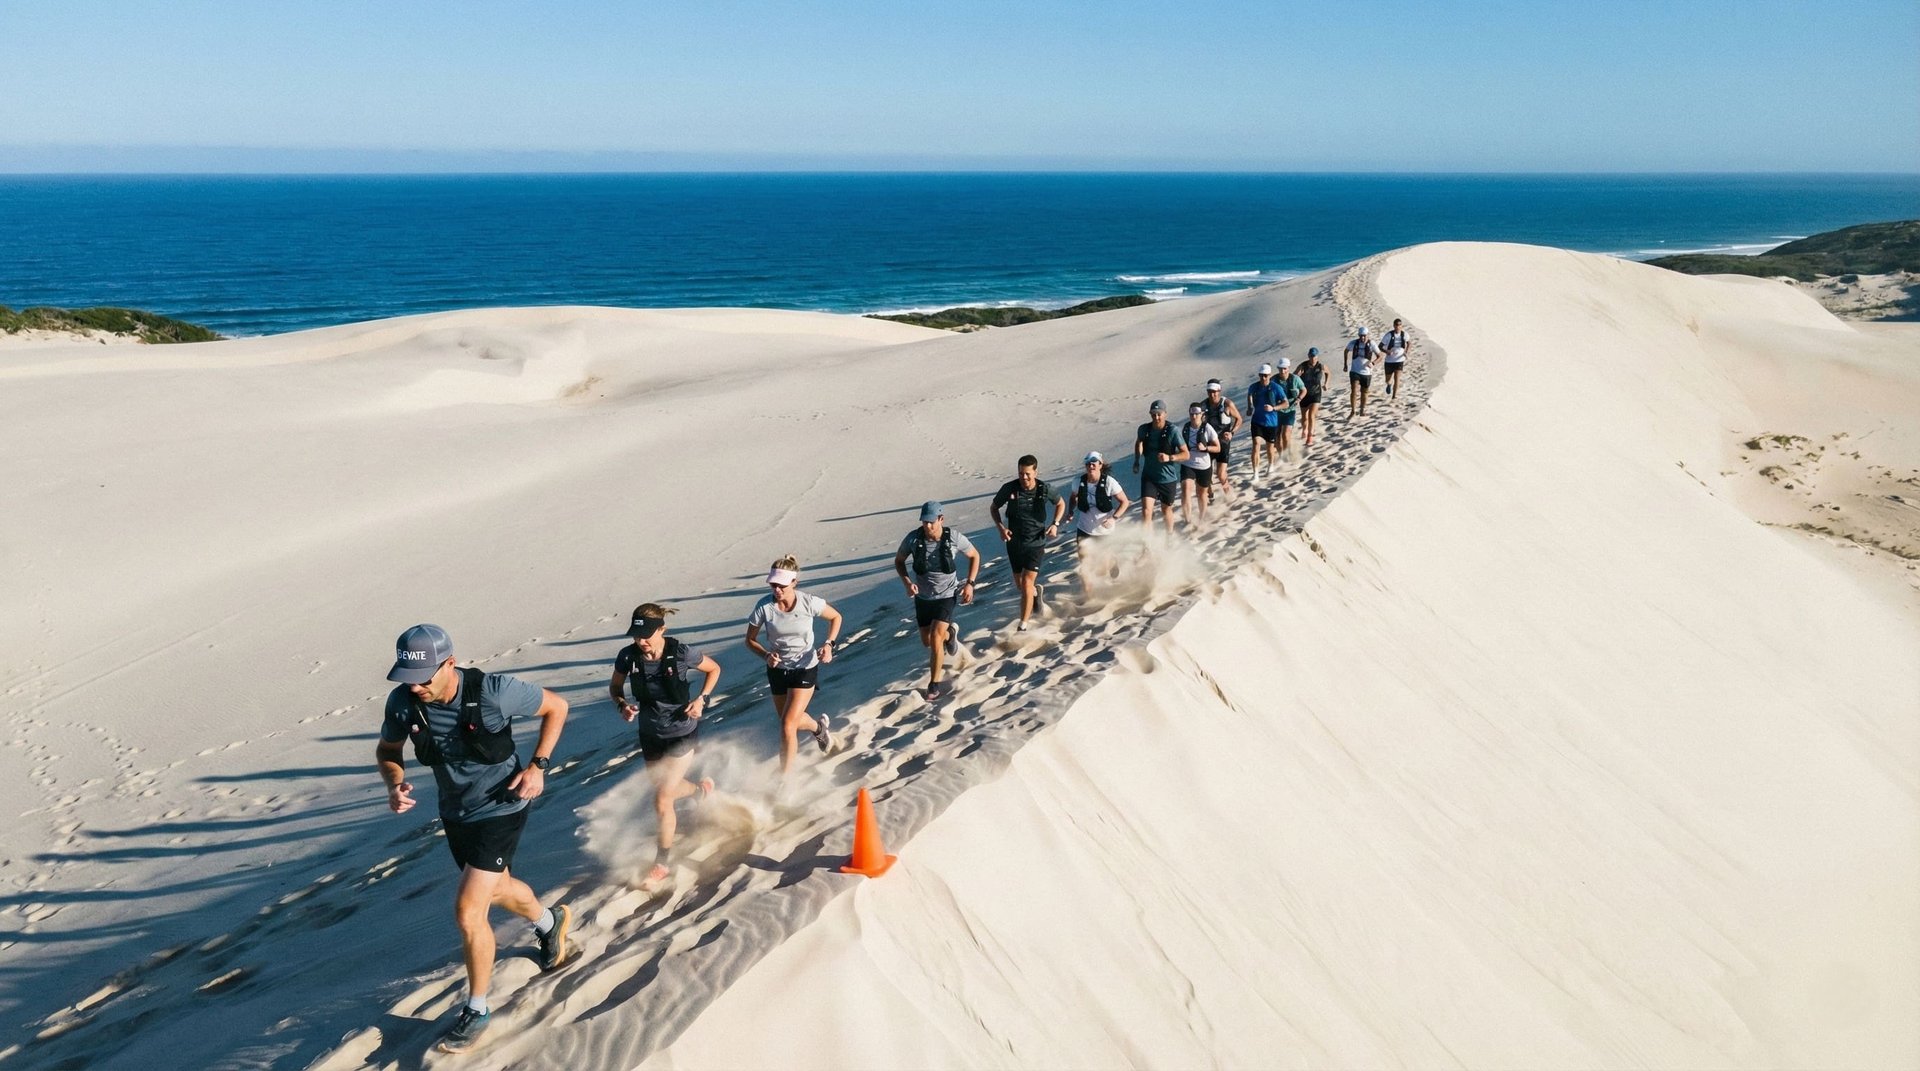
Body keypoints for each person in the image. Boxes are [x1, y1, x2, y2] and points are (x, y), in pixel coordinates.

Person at [374, 624, 573, 1054]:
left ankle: (478, 1009)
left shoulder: (494, 691)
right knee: (497, 891)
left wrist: (538, 765)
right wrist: (394, 782)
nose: (416, 687)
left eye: (424, 677)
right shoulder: (404, 703)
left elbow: (557, 707)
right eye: (408, 679)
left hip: (503, 806)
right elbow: (388, 751)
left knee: (468, 910)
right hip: (456, 814)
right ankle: (549, 923)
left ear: (449, 663)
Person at [609, 604, 721, 888]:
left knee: (661, 799)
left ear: (661, 629)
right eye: (636, 635)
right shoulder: (628, 657)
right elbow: (615, 687)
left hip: (682, 731)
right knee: (665, 792)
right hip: (650, 735)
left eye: (646, 634)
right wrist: (622, 704)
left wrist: (701, 700)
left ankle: (662, 864)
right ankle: (699, 791)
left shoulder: (681, 653)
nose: (641, 641)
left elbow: (714, 669)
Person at [745, 557, 844, 777]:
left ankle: (785, 780)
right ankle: (820, 730)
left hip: (805, 667)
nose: (777, 589)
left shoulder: (809, 602)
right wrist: (766, 655)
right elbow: (749, 640)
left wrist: (829, 644)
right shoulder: (765, 606)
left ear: (794, 582)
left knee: (787, 725)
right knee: (791, 722)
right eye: (773, 584)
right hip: (778, 670)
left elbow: (836, 617)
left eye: (782, 584)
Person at [894, 501, 981, 701]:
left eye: (931, 522)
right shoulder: (913, 539)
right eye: (924, 522)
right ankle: (951, 635)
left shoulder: (954, 538)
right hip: (923, 598)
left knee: (934, 638)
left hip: (947, 595)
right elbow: (899, 561)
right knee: (927, 641)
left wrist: (970, 583)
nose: (928, 526)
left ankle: (934, 685)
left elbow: (974, 556)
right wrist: (907, 582)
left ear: (941, 519)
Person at [990, 455, 1066, 632]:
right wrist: (1001, 527)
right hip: (1014, 543)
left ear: (1036, 472)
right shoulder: (1009, 488)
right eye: (1021, 473)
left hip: (1036, 543)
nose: (1024, 478)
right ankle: (1035, 594)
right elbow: (994, 508)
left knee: (1025, 582)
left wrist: (1055, 524)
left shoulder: (1045, 489)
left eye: (1027, 474)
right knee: (1021, 586)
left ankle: (1023, 625)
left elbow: (1061, 503)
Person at [1064, 451, 1131, 597]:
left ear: (1100, 464)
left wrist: (1114, 518)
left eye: (1094, 463)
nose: (1091, 465)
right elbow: (1073, 497)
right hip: (1084, 529)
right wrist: (1070, 512)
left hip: (1104, 532)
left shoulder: (1109, 482)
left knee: (1103, 567)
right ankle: (1088, 595)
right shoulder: (1078, 482)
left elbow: (1124, 502)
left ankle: (1112, 561)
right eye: (1088, 463)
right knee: (1085, 566)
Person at [1132, 399, 1188, 535]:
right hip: (1149, 476)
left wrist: (1170, 458)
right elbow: (1139, 442)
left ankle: (1169, 537)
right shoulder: (1144, 429)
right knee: (1146, 511)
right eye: (1153, 414)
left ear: (1165, 414)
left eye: (1159, 414)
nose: (1156, 417)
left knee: (1166, 509)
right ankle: (1147, 544)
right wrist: (1137, 460)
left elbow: (1186, 454)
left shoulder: (1173, 431)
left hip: (1167, 478)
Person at [1199, 378, 1243, 502]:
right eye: (1209, 392)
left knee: (1221, 474)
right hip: (1209, 444)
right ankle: (1211, 495)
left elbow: (1239, 419)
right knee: (1206, 474)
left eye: (1214, 391)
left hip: (1223, 443)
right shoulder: (1203, 406)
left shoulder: (1227, 404)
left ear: (1219, 390)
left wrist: (1232, 432)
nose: (1212, 394)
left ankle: (1229, 496)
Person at [1179, 403, 1222, 527]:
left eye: (1196, 413)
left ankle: (1201, 518)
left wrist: (1205, 448)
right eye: (1191, 413)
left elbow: (1217, 448)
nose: (1194, 416)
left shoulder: (1207, 428)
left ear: (1202, 414)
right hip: (1188, 463)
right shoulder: (1186, 427)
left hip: (1203, 465)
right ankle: (1187, 520)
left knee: (1201, 493)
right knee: (1186, 489)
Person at [1245, 364, 1285, 481]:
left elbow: (1285, 403)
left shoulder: (1276, 388)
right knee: (1256, 444)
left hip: (1271, 422)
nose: (1263, 378)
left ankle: (1270, 466)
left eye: (1266, 376)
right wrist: (1249, 407)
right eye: (1261, 376)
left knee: (1269, 447)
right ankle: (1255, 473)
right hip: (1257, 421)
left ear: (1270, 375)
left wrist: (1274, 408)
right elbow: (1249, 395)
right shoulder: (1254, 387)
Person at [1273, 357, 1306, 458]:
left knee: (1286, 434)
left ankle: (1287, 455)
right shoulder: (1273, 380)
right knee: (1277, 436)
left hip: (1290, 410)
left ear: (1288, 368)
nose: (1282, 371)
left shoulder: (1295, 379)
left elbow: (1303, 390)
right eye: (1280, 369)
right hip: (1277, 411)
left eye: (1284, 368)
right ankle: (1281, 456)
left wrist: (1299, 398)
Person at [1297, 347, 1329, 447]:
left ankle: (1310, 437)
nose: (1312, 358)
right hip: (1304, 394)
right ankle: (1304, 430)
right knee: (1304, 417)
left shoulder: (1321, 366)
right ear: (1308, 356)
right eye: (1311, 356)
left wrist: (1326, 383)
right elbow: (1294, 376)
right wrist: (1298, 375)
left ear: (1317, 356)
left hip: (1316, 393)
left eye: (1314, 356)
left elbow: (1328, 373)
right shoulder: (1303, 366)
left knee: (1311, 415)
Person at [1346, 326, 1381, 418]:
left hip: (1366, 373)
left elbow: (1380, 356)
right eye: (1361, 336)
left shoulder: (1372, 344)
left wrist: (1373, 363)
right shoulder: (1353, 343)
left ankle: (1362, 410)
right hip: (1355, 371)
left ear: (1368, 335)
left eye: (1364, 336)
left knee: (1364, 392)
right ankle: (1353, 411)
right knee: (1354, 390)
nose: (1362, 338)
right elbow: (1346, 351)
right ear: (1358, 335)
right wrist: (1345, 364)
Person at [1381, 318, 1411, 400]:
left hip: (1399, 360)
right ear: (1394, 326)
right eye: (1396, 325)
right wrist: (1387, 352)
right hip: (1389, 361)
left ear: (1401, 326)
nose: (1398, 327)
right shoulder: (1389, 335)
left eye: (1400, 325)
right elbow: (1380, 346)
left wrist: (1406, 352)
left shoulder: (1404, 334)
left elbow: (1409, 343)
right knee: (1387, 380)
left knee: (1397, 378)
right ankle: (1389, 384)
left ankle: (1394, 396)